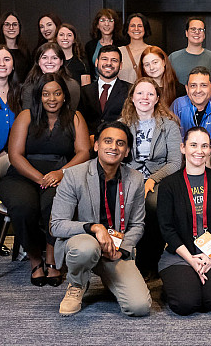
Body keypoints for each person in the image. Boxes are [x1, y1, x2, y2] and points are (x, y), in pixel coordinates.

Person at [49, 121, 151, 317]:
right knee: (87, 248)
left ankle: (109, 277)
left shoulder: (136, 179)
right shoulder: (74, 175)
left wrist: (122, 250)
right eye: (108, 141)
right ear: (96, 145)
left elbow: (137, 224)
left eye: (120, 143)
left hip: (115, 248)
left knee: (139, 307)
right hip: (83, 244)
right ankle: (77, 283)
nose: (114, 147)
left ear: (127, 151)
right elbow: (57, 225)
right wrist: (94, 228)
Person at [0, 73, 90, 287]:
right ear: (39, 96)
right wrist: (40, 178)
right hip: (24, 174)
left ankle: (51, 257)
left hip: (61, 175)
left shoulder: (75, 117)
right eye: (46, 94)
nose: (52, 98)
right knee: (22, 207)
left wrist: (61, 173)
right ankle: (34, 259)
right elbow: (15, 155)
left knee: (54, 206)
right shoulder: (26, 116)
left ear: (64, 96)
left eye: (57, 93)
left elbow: (84, 152)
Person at [156, 127, 211, 315]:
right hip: (181, 254)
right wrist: (191, 260)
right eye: (193, 145)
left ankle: (200, 283)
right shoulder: (169, 184)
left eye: (204, 146)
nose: (199, 151)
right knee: (185, 304)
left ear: (210, 149)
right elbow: (167, 228)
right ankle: (179, 284)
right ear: (183, 148)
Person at [121, 76, 183, 276]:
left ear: (157, 98)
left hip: (160, 179)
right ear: (132, 97)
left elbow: (175, 162)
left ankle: (149, 262)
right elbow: (116, 160)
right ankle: (123, 261)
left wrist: (152, 180)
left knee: (154, 205)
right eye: (140, 93)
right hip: (128, 178)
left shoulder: (169, 125)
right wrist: (134, 179)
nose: (145, 97)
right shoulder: (121, 125)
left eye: (150, 93)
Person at [78, 44, 131, 134]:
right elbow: (79, 122)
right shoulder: (84, 91)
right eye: (104, 59)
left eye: (114, 60)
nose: (109, 63)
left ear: (121, 65)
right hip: (90, 140)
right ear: (96, 62)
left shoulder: (130, 90)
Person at [20, 42, 81, 110]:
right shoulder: (30, 86)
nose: (49, 62)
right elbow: (27, 112)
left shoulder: (72, 85)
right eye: (44, 58)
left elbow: (72, 112)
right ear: (38, 62)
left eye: (54, 58)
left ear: (61, 62)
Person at [172, 66, 211, 138]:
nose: (198, 91)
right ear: (187, 89)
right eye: (193, 86)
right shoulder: (178, 105)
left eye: (204, 85)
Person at [168, 16, 211, 85]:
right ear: (186, 33)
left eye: (200, 29)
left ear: (204, 34)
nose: (197, 32)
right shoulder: (173, 58)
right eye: (193, 29)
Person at [120, 12, 156, 83]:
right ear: (127, 29)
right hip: (122, 90)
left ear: (145, 29)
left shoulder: (153, 51)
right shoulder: (119, 52)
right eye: (132, 26)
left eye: (140, 26)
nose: (136, 29)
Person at [0, 12, 32, 81]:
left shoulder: (25, 51)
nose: (11, 28)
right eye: (7, 24)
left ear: (19, 27)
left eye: (15, 24)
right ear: (1, 27)